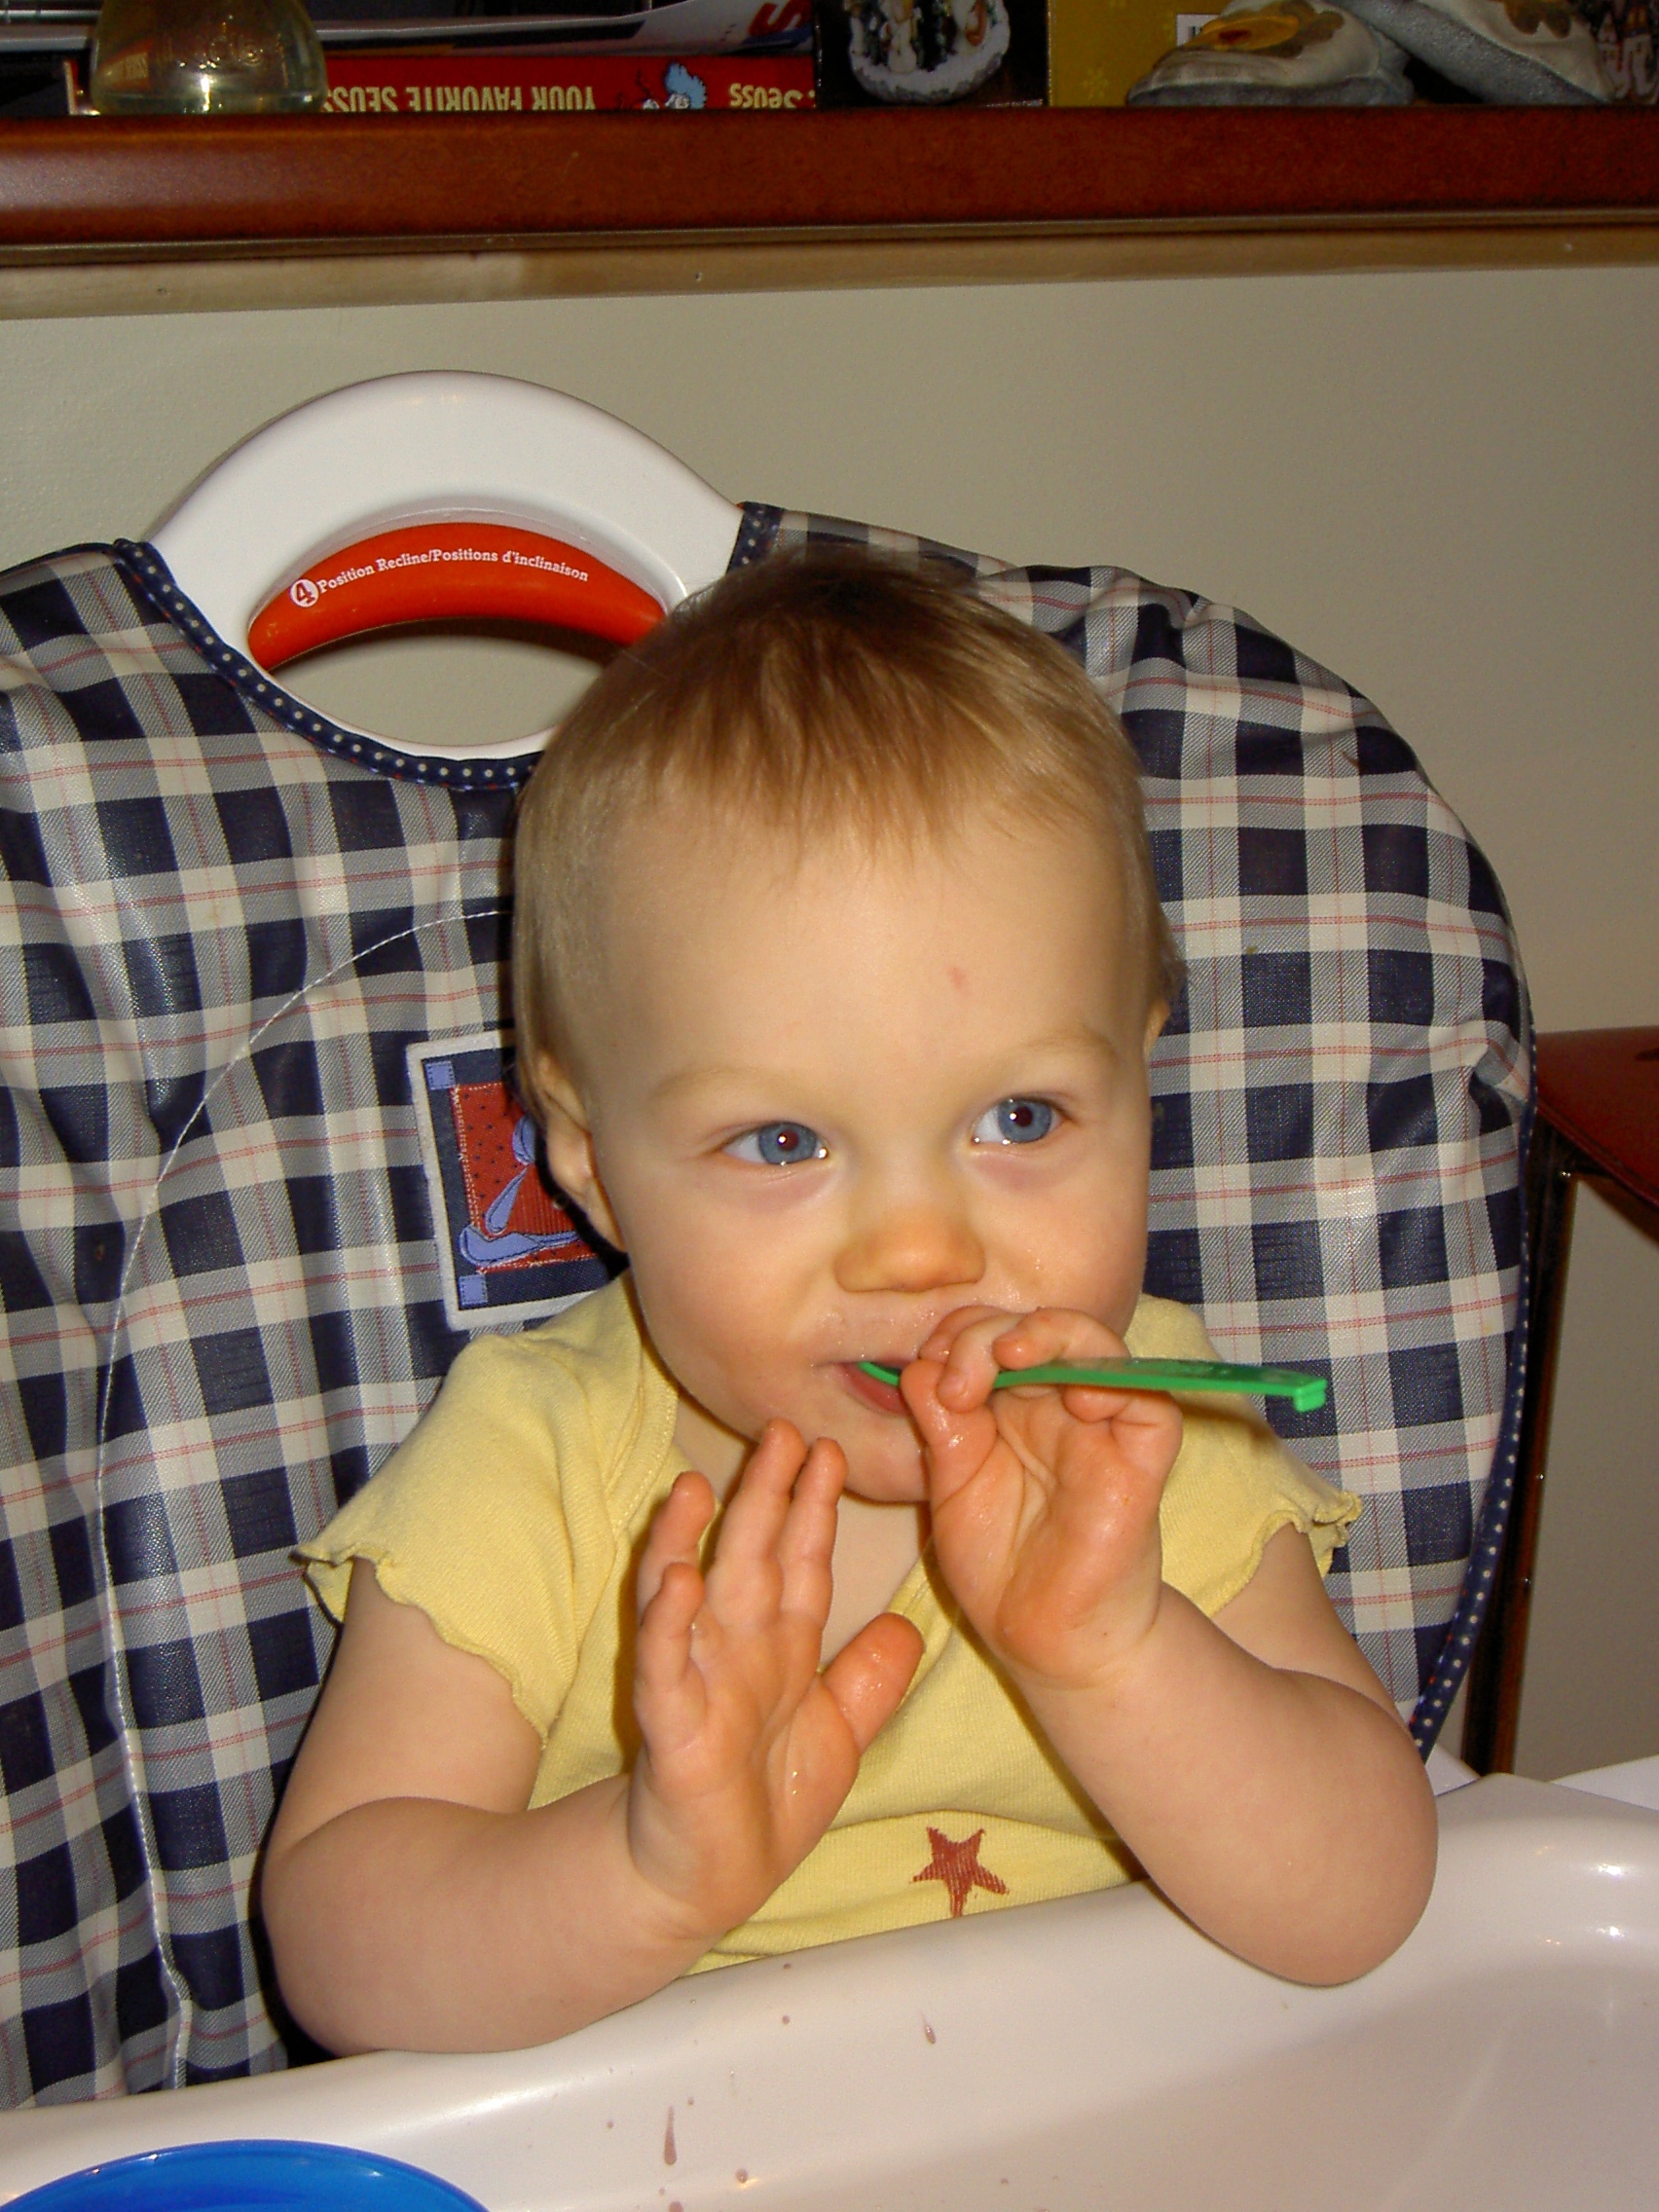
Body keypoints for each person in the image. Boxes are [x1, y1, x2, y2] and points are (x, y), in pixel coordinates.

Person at [262, 548, 1436, 2057]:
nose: (920, 1254)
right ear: (593, 1164)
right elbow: (340, 1950)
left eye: (1018, 1118)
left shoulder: (1135, 1434)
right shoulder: (535, 1465)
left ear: (1141, 1076)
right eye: (784, 1143)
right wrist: (648, 1870)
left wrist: (1118, 1645)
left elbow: (1360, 1906)